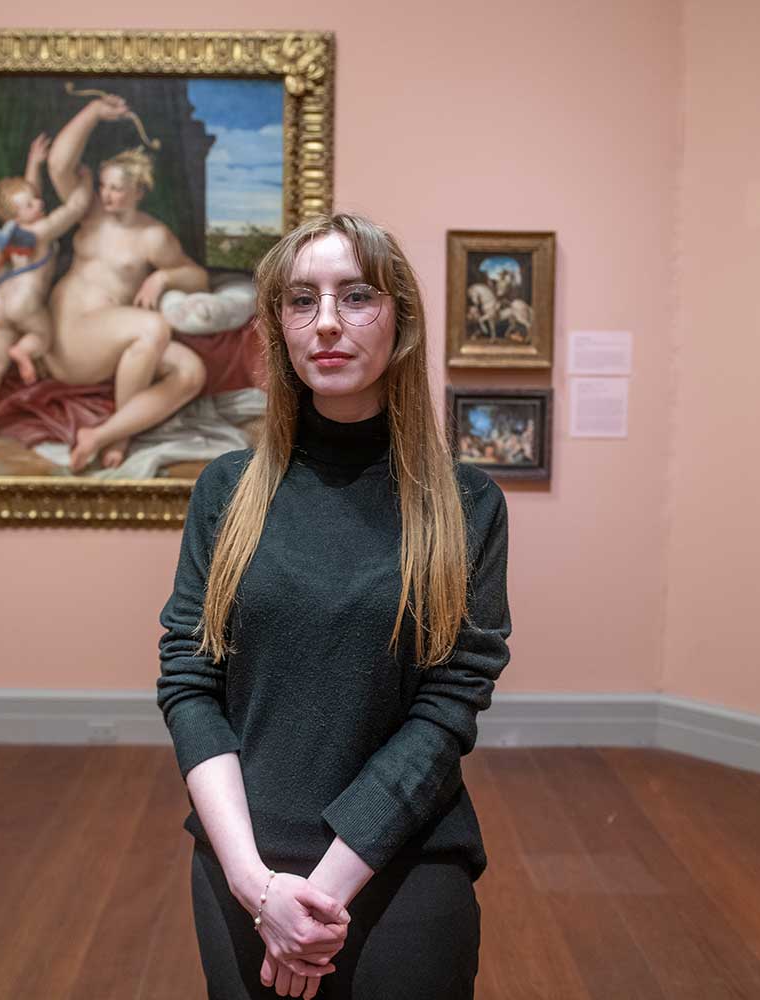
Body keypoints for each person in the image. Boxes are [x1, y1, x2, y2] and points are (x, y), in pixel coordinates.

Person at [157, 213, 511, 999]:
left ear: (400, 323)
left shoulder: (464, 504)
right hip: (245, 861)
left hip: (401, 860)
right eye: (301, 300)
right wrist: (258, 889)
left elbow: (447, 711)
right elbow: (189, 683)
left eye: (356, 297)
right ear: (278, 327)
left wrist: (323, 891)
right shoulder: (227, 492)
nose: (326, 323)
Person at [43, 94, 210, 471]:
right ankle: (119, 437)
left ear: (139, 189)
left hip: (112, 341)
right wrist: (93, 113)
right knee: (152, 327)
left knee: (191, 370)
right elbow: (58, 163)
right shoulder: (89, 213)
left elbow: (197, 277)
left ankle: (103, 435)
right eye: (103, 186)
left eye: (117, 188)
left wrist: (164, 276)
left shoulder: (154, 235)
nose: (107, 195)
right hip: (69, 339)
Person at [0, 134, 92, 428]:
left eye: (36, 199)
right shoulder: (40, 232)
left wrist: (33, 163)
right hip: (25, 302)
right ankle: (24, 351)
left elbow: (25, 193)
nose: (39, 202)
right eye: (31, 204)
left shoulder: (11, 228)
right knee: (43, 338)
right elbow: (74, 209)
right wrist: (85, 182)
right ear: (19, 212)